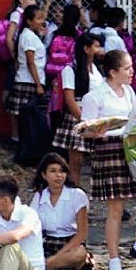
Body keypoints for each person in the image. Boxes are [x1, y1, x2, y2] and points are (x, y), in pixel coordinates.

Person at [81, 49, 136, 270]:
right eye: (127, 68)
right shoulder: (95, 96)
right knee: (116, 209)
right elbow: (84, 131)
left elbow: (133, 119)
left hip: (130, 148)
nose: (131, 72)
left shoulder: (128, 92)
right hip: (108, 150)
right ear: (113, 72)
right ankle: (114, 260)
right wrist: (97, 132)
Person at [29, 153, 94, 270]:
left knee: (79, 254)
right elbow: (32, 226)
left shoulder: (77, 195)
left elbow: (81, 234)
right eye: (53, 171)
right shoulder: (40, 196)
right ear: (44, 175)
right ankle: (60, 268)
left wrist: (57, 256)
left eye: (62, 171)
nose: (58, 175)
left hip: (70, 243)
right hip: (46, 242)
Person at [52, 33, 104, 185]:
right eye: (96, 46)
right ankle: (74, 188)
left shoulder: (96, 68)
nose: (99, 50)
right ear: (86, 49)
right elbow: (70, 99)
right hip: (78, 116)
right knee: (76, 160)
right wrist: (84, 121)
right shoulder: (70, 69)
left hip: (95, 116)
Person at [4, 4, 47, 117]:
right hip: (28, 82)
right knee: (27, 119)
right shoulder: (28, 37)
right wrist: (38, 85)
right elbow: (30, 62)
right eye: (38, 18)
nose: (42, 21)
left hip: (30, 81)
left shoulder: (31, 35)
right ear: (29, 21)